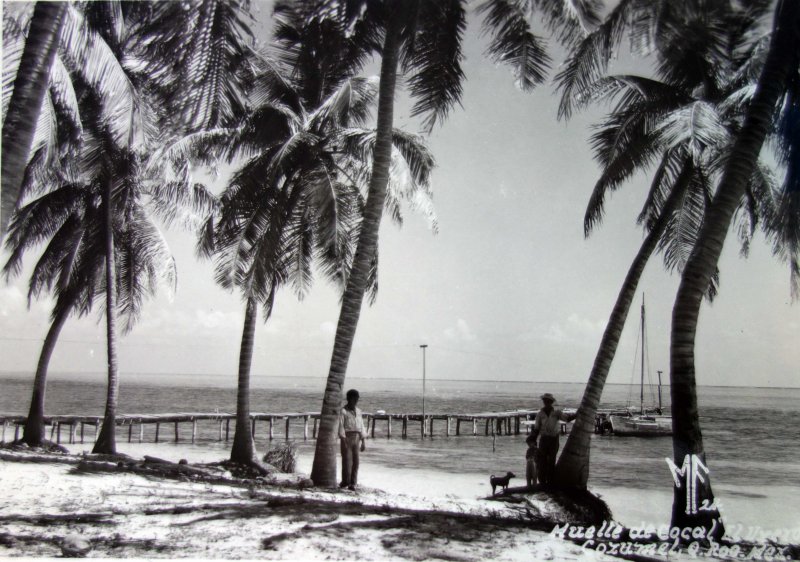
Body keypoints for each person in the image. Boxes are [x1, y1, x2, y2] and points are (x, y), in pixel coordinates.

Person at [527, 393, 576, 485]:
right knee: (542, 461)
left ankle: (550, 482)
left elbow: (567, 419)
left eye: (548, 401)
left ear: (551, 402)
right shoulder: (540, 414)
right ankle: (542, 482)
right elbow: (537, 429)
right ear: (544, 402)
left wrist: (577, 414)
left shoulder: (556, 413)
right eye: (545, 401)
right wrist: (532, 439)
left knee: (552, 461)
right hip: (544, 439)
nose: (546, 403)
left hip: (554, 439)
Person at [338, 388, 366, 490]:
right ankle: (345, 482)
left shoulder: (359, 411)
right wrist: (343, 439)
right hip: (347, 437)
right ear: (349, 399)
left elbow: (362, 426)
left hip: (357, 437)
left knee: (356, 462)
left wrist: (363, 441)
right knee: (347, 461)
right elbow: (341, 426)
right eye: (354, 399)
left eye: (357, 399)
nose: (356, 401)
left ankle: (353, 483)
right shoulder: (343, 411)